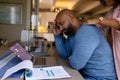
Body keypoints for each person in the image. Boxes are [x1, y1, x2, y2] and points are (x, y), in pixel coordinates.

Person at [52, 9, 117, 80]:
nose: (60, 29)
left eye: (61, 23)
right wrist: (57, 36)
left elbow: (76, 64)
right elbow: (64, 54)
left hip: (102, 78)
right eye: (58, 26)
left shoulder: (86, 31)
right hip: (86, 75)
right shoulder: (72, 34)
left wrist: (74, 57)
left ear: (70, 17)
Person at [87, 0, 120, 79]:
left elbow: (118, 24)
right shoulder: (111, 12)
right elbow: (100, 26)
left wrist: (99, 20)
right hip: (112, 54)